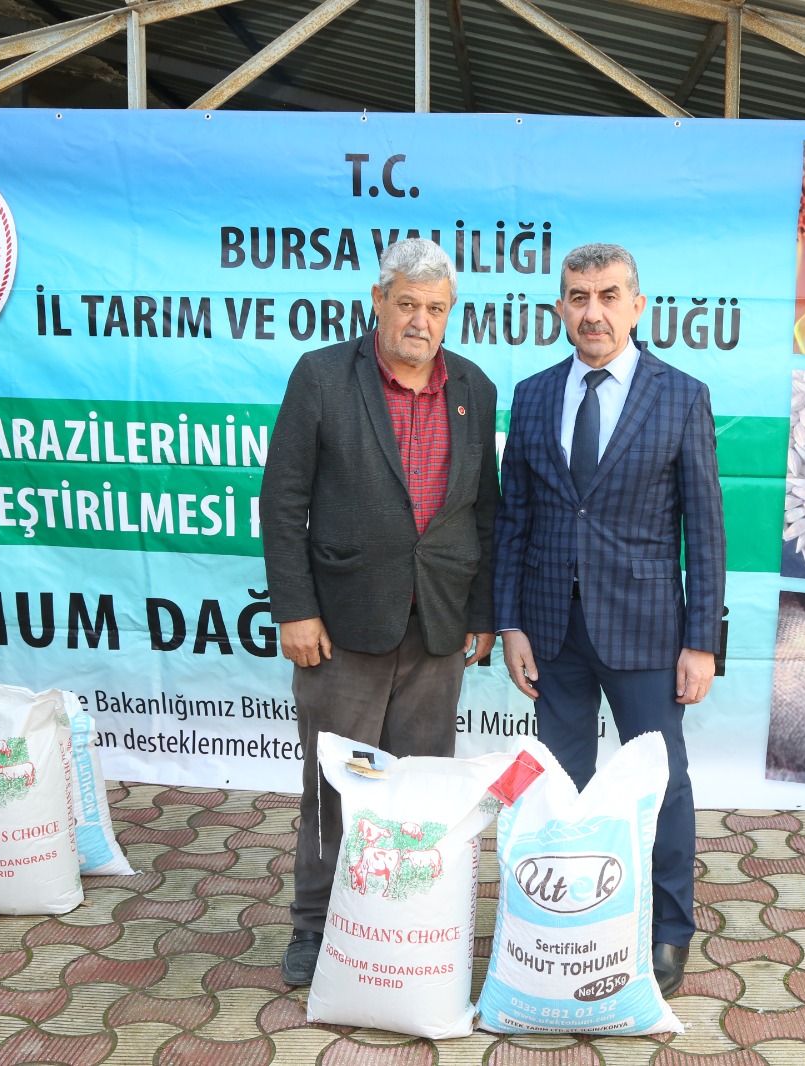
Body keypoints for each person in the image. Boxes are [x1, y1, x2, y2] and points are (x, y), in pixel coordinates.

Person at [261, 238, 499, 986]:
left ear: (451, 312)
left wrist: (481, 613)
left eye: (436, 308)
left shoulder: (475, 386)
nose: (420, 321)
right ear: (378, 301)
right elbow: (282, 501)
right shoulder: (322, 376)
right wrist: (295, 609)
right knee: (334, 790)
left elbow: (484, 511)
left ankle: (405, 920)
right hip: (342, 628)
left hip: (438, 627)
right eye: (407, 304)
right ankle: (314, 926)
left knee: (419, 790)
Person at [494, 243, 726, 996]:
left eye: (607, 296)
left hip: (647, 630)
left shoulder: (680, 395)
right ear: (560, 307)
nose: (592, 312)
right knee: (559, 783)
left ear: (636, 306)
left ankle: (667, 930)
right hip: (550, 630)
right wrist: (509, 622)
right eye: (578, 296)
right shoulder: (533, 394)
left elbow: (705, 529)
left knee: (662, 784)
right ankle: (567, 923)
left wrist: (702, 642)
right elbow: (514, 517)